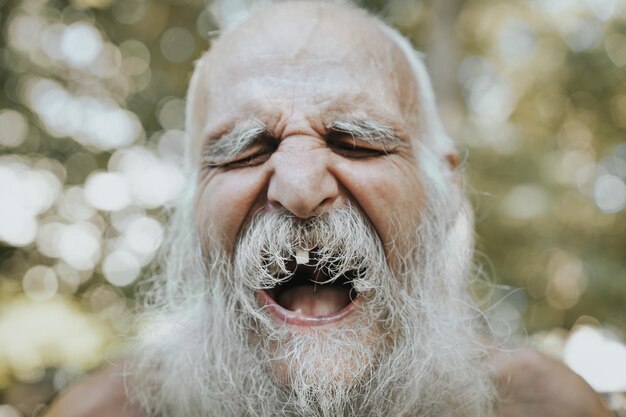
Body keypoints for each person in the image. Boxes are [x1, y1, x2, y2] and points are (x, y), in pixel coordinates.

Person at [44, 1, 612, 416]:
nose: (298, 187)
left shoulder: (552, 408)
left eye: (357, 142)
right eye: (244, 152)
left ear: (447, 190)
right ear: (191, 207)